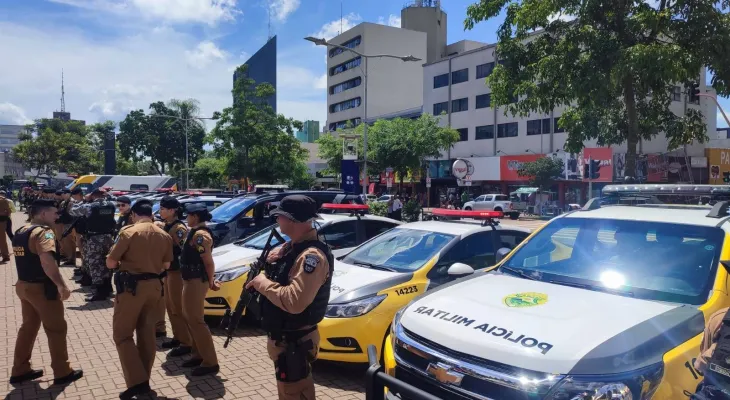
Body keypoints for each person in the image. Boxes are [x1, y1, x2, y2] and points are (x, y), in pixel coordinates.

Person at [245, 195, 334, 400]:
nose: (277, 221)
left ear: (292, 220)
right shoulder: (293, 248)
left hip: (295, 342)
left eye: (280, 216)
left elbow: (295, 302)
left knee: (295, 393)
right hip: (286, 338)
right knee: (288, 391)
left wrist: (262, 282)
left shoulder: (312, 257)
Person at [9, 199, 83, 386]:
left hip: (24, 286)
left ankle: (20, 369)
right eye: (54, 213)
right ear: (43, 214)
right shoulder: (44, 233)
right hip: (42, 289)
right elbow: (47, 261)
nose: (57, 216)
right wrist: (61, 284)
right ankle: (62, 371)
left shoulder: (21, 231)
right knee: (56, 329)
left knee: (28, 328)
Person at [106, 199, 172, 400]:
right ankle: (144, 379)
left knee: (122, 335)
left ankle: (137, 382)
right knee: (147, 334)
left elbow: (110, 262)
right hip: (154, 287)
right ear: (151, 214)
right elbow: (167, 265)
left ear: (133, 214)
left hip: (131, 288)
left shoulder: (127, 232)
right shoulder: (165, 235)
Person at [179, 203, 220, 376]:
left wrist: (211, 281)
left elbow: (208, 262)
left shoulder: (201, 236)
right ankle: (198, 355)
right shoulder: (195, 233)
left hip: (196, 280)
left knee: (196, 320)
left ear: (195, 216)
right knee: (189, 317)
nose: (186, 218)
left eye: (188, 215)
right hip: (190, 279)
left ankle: (210, 362)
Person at [156, 196, 192, 354]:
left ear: (172, 210)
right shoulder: (166, 225)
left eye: (163, 209)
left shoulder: (178, 228)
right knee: (170, 307)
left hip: (176, 271)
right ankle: (178, 336)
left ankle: (187, 342)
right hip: (168, 271)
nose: (161, 211)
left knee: (178, 307)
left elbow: (183, 251)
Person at [69, 189, 116, 301]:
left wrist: (84, 200)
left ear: (93, 195)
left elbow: (72, 211)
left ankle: (99, 291)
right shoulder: (111, 205)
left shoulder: (90, 206)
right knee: (107, 263)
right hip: (109, 238)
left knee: (95, 264)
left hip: (95, 239)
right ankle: (107, 288)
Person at [56, 189, 76, 266]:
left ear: (68, 194)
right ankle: (69, 257)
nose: (62, 195)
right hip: (65, 223)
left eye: (64, 193)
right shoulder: (64, 202)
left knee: (70, 242)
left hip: (70, 224)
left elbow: (72, 213)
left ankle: (72, 259)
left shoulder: (72, 202)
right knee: (66, 241)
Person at [0, 190, 13, 262]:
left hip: (1, 222)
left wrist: (3, 217)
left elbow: (9, 211)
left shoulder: (2, 200)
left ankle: (5, 255)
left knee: (2, 239)